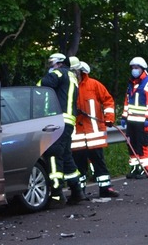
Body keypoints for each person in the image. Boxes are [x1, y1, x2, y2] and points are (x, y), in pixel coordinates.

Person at [70, 61, 120, 198]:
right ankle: (79, 192)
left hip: (94, 134)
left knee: (99, 163)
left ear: (81, 72)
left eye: (76, 71)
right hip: (77, 136)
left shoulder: (94, 85)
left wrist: (109, 117)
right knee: (79, 166)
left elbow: (108, 100)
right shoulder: (69, 86)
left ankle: (105, 188)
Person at [38, 52, 83, 204]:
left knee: (53, 155)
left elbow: (41, 85)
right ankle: (76, 191)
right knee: (65, 155)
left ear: (58, 63)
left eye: (52, 63)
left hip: (56, 121)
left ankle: (56, 195)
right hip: (68, 122)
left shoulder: (58, 73)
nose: (50, 66)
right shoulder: (72, 77)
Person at [121, 56, 148, 178]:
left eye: (136, 68)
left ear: (142, 69)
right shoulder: (131, 84)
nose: (134, 70)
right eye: (132, 68)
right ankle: (135, 168)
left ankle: (146, 169)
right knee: (131, 145)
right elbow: (127, 102)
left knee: (142, 145)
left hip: (143, 121)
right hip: (131, 121)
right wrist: (124, 117)